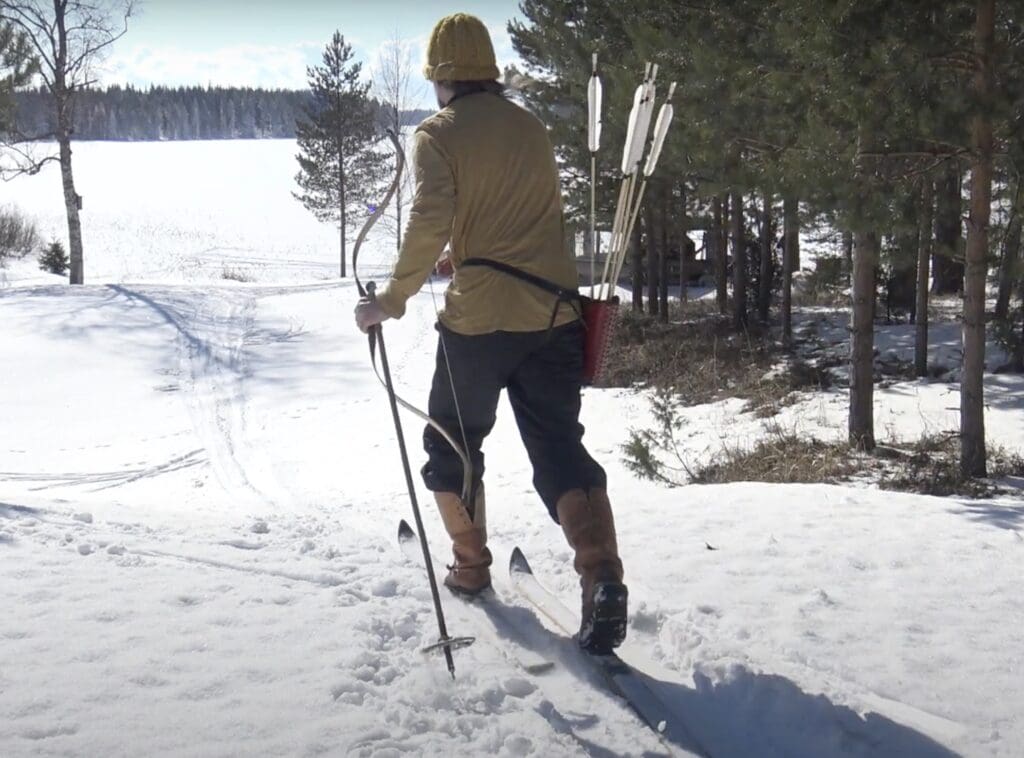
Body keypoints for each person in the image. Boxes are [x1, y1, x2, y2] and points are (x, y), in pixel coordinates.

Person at [354, 13, 627, 654]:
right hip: (556, 318)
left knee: (451, 443)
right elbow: (522, 220)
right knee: (560, 447)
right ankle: (603, 577)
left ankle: (471, 568)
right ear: (489, 72)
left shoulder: (436, 135)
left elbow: (427, 224)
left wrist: (389, 301)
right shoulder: (531, 128)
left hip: (478, 326)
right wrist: (467, 252)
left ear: (442, 78)